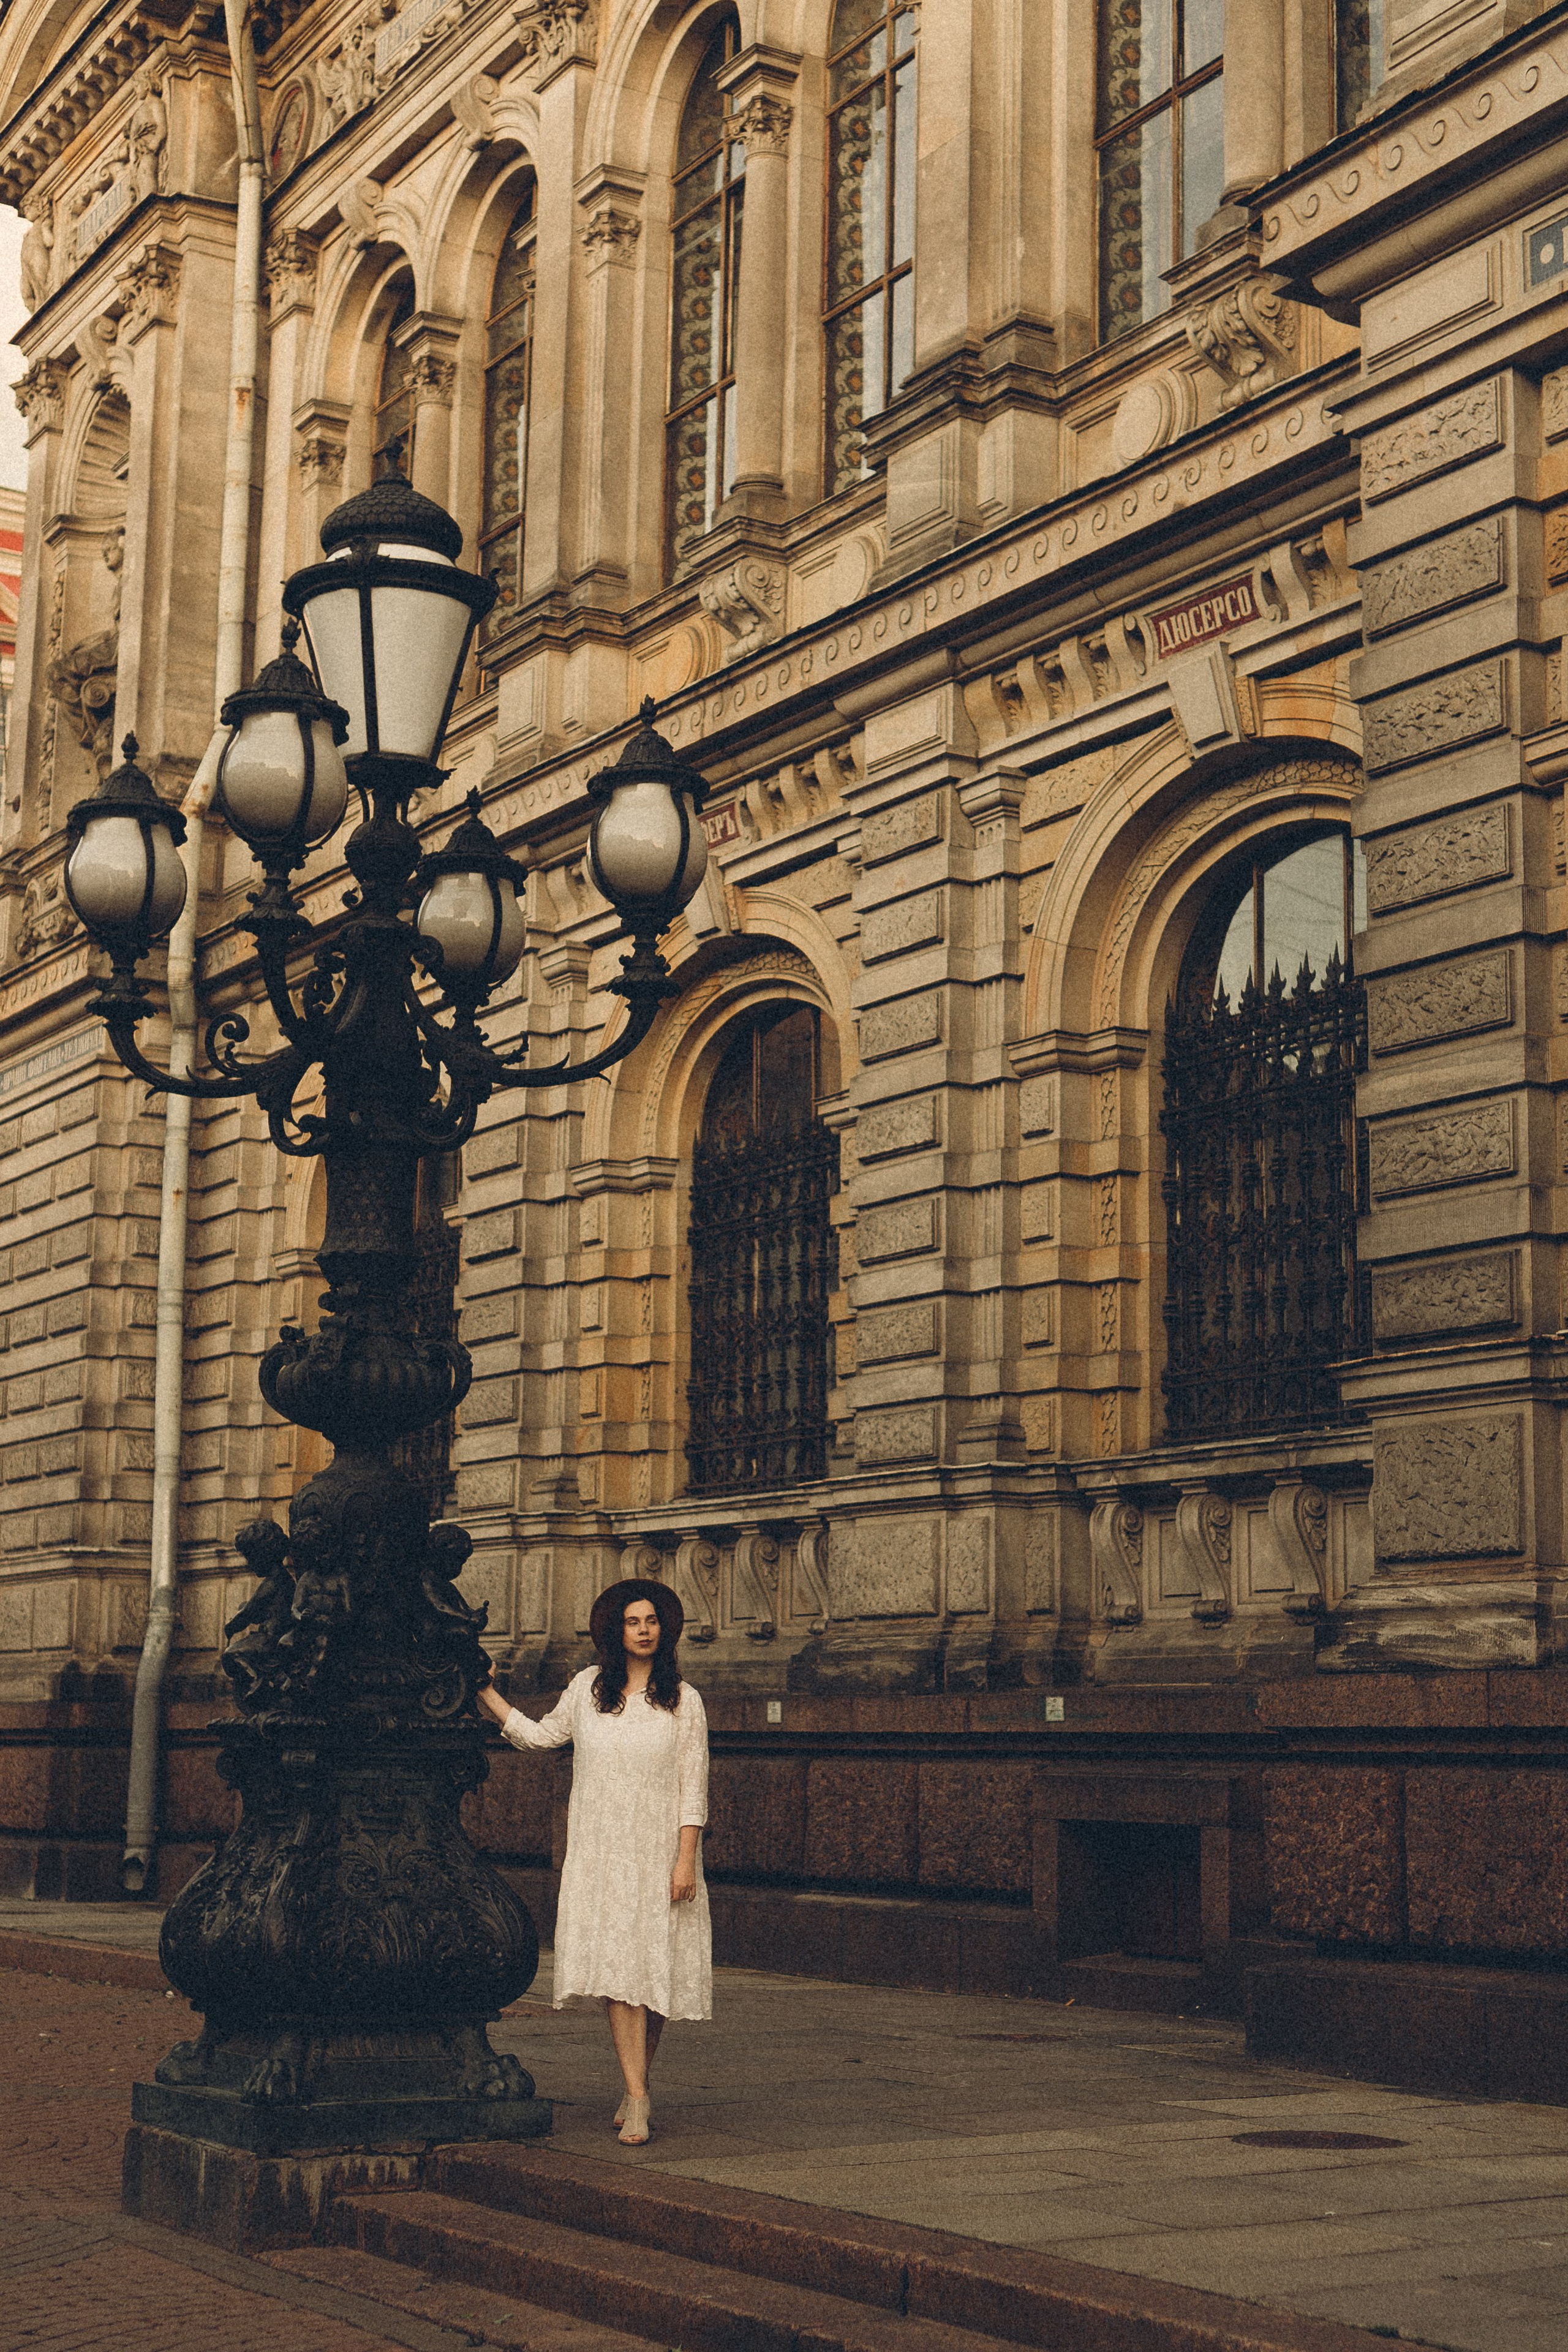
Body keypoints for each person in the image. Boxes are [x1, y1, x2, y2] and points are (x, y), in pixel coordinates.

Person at [476, 1578, 710, 2144]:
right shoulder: (587, 1689)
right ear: (615, 1630)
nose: (644, 1631)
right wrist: (485, 1692)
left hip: (660, 1854)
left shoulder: (684, 1700)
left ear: (665, 1629)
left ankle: (635, 2083)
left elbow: (694, 1788)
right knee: (620, 1976)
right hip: (603, 1853)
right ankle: (638, 2095)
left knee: (655, 1976)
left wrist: (685, 1860)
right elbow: (538, 1737)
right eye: (633, 1622)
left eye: (651, 1620)